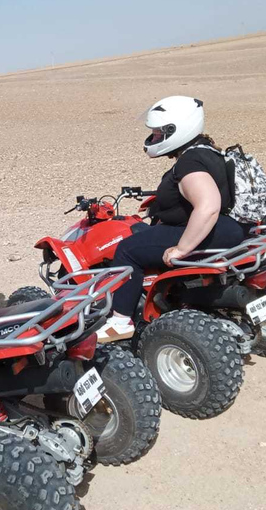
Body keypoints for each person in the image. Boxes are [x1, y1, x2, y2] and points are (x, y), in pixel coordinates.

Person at [96, 96, 248, 342]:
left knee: (126, 250)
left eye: (158, 133)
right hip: (226, 228)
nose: (154, 138)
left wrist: (181, 248)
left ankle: (120, 321)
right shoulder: (207, 151)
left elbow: (208, 206)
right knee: (143, 236)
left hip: (210, 229)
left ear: (176, 130)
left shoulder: (190, 162)